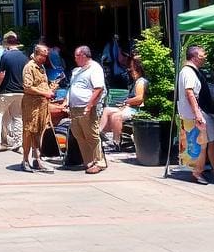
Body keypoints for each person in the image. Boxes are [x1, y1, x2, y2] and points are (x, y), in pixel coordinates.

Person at [177, 45, 214, 185]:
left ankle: (210, 171)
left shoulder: (189, 71)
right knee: (204, 143)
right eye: (203, 55)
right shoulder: (189, 72)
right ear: (195, 57)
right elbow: (190, 93)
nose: (205, 57)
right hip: (197, 114)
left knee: (207, 142)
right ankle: (202, 173)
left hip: (196, 113)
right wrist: (198, 115)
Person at [65, 45, 106, 174]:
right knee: (79, 135)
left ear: (83, 55)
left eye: (77, 56)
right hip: (74, 108)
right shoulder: (77, 70)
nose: (75, 58)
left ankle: (99, 162)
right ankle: (88, 161)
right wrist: (67, 101)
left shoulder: (95, 68)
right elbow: (73, 87)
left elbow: (98, 88)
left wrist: (89, 106)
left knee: (91, 135)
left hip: (86, 107)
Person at [21, 44, 55, 173]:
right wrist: (44, 93)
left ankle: (37, 159)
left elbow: (41, 84)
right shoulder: (30, 67)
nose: (44, 59)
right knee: (29, 131)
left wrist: (50, 89)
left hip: (42, 105)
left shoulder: (41, 67)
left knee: (39, 131)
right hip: (31, 105)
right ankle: (25, 160)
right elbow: (27, 87)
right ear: (36, 54)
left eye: (46, 56)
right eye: (42, 56)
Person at [99, 57, 147, 148]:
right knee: (107, 109)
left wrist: (126, 102)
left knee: (115, 116)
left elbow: (139, 98)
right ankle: (100, 132)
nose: (130, 70)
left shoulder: (141, 82)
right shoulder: (136, 81)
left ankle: (116, 141)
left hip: (136, 109)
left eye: (132, 68)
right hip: (130, 107)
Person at [0, 32, 26, 152]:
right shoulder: (24, 57)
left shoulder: (5, 56)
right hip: (20, 91)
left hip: (6, 91)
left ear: (6, 44)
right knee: (18, 117)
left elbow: (1, 75)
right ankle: (18, 143)